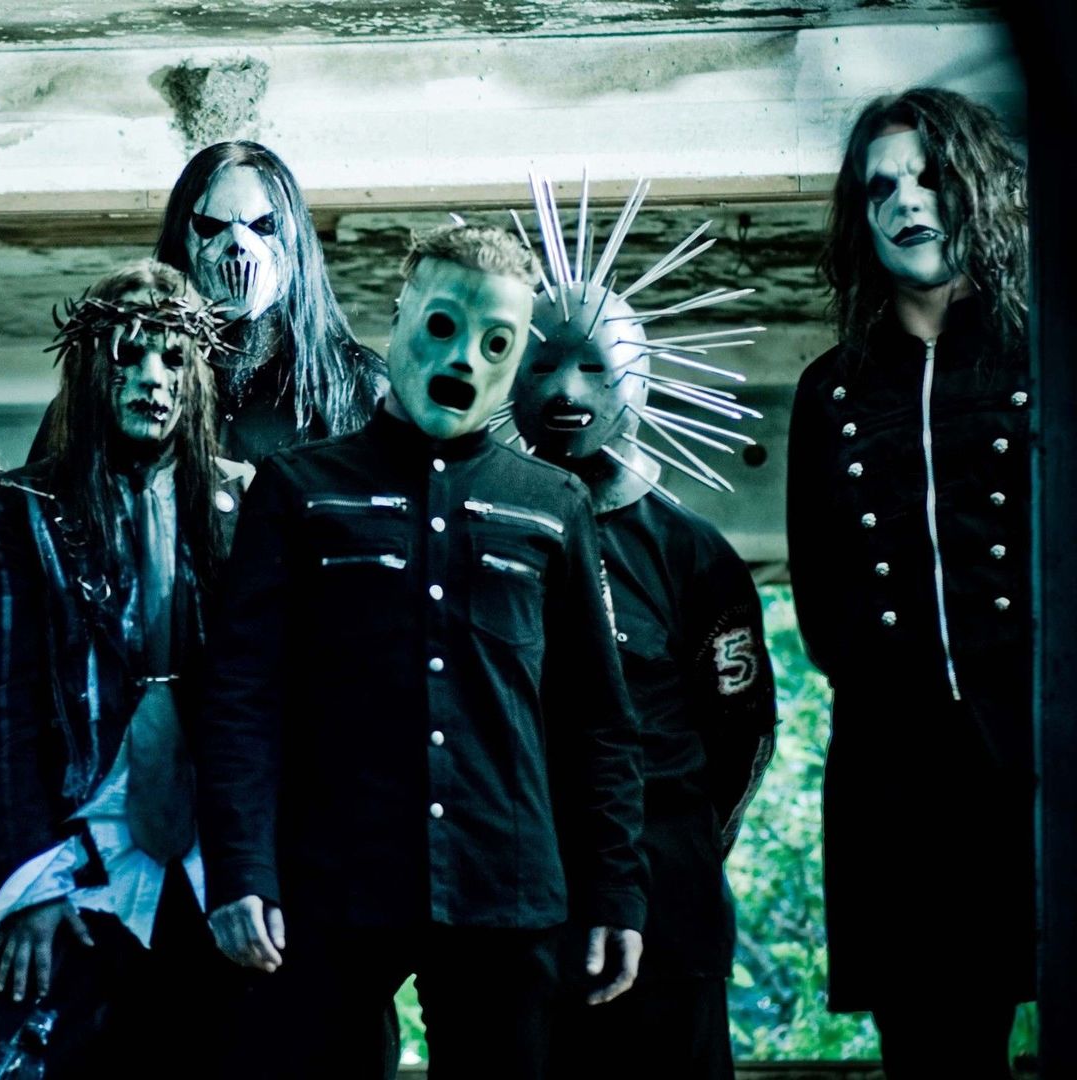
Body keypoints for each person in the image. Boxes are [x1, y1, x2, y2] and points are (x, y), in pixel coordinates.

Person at [195, 225, 647, 1078]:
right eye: (442, 326)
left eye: (496, 343)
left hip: (506, 896)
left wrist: (617, 890)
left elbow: (597, 722)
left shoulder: (553, 504)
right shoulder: (298, 491)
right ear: (399, 318)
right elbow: (241, 701)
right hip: (329, 894)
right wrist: (241, 869)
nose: (463, 359)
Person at [505, 180, 777, 1079]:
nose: (566, 389)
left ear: (642, 376)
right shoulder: (488, 536)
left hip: (670, 892)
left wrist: (675, 836)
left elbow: (744, 731)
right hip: (527, 890)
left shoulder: (693, 555)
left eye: (593, 366)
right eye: (540, 364)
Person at [0, 260, 249, 1077]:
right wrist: (31, 880)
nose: (153, 378)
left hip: (213, 872)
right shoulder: (13, 512)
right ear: (89, 366)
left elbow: (266, 705)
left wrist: (259, 872)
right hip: (75, 868)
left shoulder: (249, 506)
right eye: (129, 354)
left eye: (174, 359)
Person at [788, 87, 1034, 1079]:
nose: (906, 200)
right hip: (899, 778)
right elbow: (821, 601)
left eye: (929, 175)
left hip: (1041, 751)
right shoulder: (832, 389)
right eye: (880, 185)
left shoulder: (1044, 352)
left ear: (977, 187)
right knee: (934, 1055)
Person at [31, 141, 382, 466]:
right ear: (182, 239)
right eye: (210, 226)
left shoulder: (357, 384)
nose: (239, 246)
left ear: (295, 237)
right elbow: (45, 500)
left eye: (264, 224)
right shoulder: (116, 385)